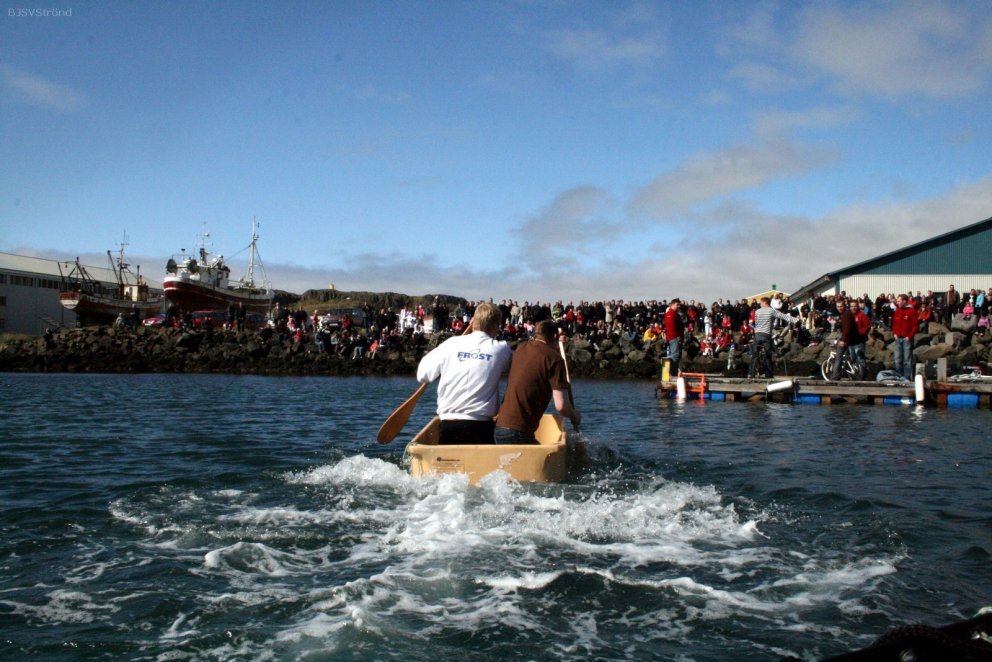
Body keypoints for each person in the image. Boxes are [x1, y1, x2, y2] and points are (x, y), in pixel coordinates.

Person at [416, 302, 512, 445]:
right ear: (496, 326)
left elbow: (422, 375)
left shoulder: (451, 343)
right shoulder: (502, 349)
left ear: (473, 322)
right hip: (481, 426)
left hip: (448, 425)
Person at [494, 320, 581, 444]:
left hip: (499, 428)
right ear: (555, 337)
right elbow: (561, 406)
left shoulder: (520, 349)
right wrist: (574, 415)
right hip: (518, 431)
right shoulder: (555, 360)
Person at [749, 296, 800, 378]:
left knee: (755, 354)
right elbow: (784, 316)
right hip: (766, 335)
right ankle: (769, 374)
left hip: (757, 334)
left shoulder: (757, 311)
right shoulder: (772, 311)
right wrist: (796, 320)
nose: (760, 304)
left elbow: (757, 322)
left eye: (761, 303)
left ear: (765, 302)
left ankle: (750, 373)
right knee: (768, 355)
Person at [891, 294, 918, 380]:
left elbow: (915, 326)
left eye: (899, 301)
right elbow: (894, 324)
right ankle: (899, 376)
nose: (897, 302)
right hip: (898, 338)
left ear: (904, 301)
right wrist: (894, 333)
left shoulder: (911, 311)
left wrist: (909, 336)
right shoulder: (897, 311)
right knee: (897, 359)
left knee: (907, 360)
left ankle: (906, 378)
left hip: (907, 339)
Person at [830, 299, 857, 380]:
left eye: (841, 306)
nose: (839, 308)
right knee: (844, 356)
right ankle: (842, 373)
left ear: (844, 305)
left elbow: (847, 329)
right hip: (848, 337)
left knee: (838, 357)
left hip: (845, 338)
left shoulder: (846, 314)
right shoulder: (844, 314)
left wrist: (843, 340)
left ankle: (835, 376)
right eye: (838, 307)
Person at [849, 300, 871, 379]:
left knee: (860, 358)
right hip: (850, 341)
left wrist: (860, 333)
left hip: (859, 341)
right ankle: (855, 375)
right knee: (852, 358)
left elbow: (868, 325)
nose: (853, 308)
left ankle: (862, 375)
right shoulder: (849, 315)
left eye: (855, 306)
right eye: (852, 306)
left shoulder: (862, 315)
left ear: (858, 306)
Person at [663, 299, 685, 370]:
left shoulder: (675, 314)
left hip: (674, 337)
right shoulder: (670, 314)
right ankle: (672, 372)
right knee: (675, 355)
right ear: (672, 304)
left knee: (676, 355)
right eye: (677, 304)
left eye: (679, 305)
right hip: (674, 337)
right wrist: (677, 336)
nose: (679, 306)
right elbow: (671, 326)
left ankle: (674, 371)